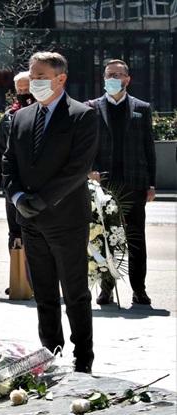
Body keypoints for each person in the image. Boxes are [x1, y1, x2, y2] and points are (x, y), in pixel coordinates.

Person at [2, 51, 99, 373]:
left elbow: (77, 168)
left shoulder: (82, 115)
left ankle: (83, 358)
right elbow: (8, 161)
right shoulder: (21, 116)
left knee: (75, 294)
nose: (34, 81)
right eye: (32, 75)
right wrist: (16, 196)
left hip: (66, 219)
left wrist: (42, 200)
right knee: (43, 293)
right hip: (29, 220)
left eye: (41, 76)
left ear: (61, 79)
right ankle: (49, 352)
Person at [86, 59, 156, 306]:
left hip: (134, 182)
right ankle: (106, 288)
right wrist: (90, 171)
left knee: (136, 238)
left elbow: (149, 147)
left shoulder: (141, 107)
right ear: (103, 78)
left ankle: (139, 289)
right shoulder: (92, 107)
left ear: (128, 79)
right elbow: (87, 146)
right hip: (102, 184)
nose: (113, 77)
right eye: (109, 74)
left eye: (118, 74)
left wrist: (152, 184)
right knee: (103, 237)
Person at [0, 71, 35, 249]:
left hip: (37, 182)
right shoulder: (8, 117)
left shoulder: (45, 113)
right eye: (19, 90)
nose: (23, 93)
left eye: (27, 89)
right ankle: (19, 273)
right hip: (13, 182)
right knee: (15, 233)